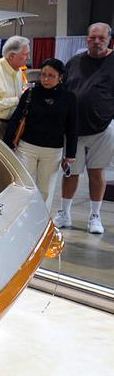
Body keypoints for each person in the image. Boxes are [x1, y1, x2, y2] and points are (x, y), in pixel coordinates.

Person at [54, 22, 114, 234]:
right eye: (92, 38)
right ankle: (64, 213)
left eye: (101, 38)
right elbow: (63, 91)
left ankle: (95, 217)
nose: (96, 42)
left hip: (103, 129)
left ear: (109, 40)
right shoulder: (74, 62)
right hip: (74, 130)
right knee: (70, 172)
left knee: (96, 172)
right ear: (87, 39)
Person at [2, 59, 78, 204]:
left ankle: (42, 217)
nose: (46, 79)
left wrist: (70, 154)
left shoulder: (69, 98)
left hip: (53, 151)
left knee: (45, 190)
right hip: (27, 147)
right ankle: (20, 215)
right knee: (22, 185)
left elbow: (72, 127)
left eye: (51, 76)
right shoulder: (31, 93)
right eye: (43, 74)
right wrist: (8, 143)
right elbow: (16, 118)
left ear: (60, 77)